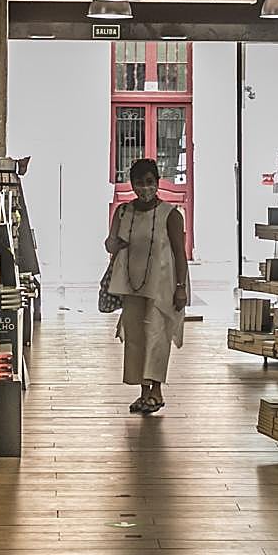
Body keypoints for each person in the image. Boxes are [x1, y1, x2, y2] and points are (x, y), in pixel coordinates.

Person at [104, 158, 188, 414]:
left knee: (157, 337)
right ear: (131, 184)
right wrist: (115, 244)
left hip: (161, 286)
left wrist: (181, 286)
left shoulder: (170, 215)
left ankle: (157, 390)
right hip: (131, 285)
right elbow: (110, 244)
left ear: (157, 182)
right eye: (139, 183)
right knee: (136, 339)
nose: (144, 189)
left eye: (149, 183)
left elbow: (179, 253)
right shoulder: (123, 211)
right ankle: (144, 391)